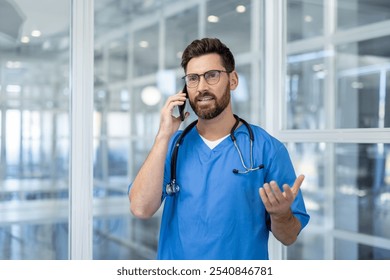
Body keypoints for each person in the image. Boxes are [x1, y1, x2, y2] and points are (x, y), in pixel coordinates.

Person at [128, 38, 310, 260]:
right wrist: (163, 135)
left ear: (233, 80)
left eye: (212, 75)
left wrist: (281, 215)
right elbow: (140, 208)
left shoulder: (267, 149)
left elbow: (289, 237)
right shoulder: (173, 146)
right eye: (193, 79)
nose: (202, 87)